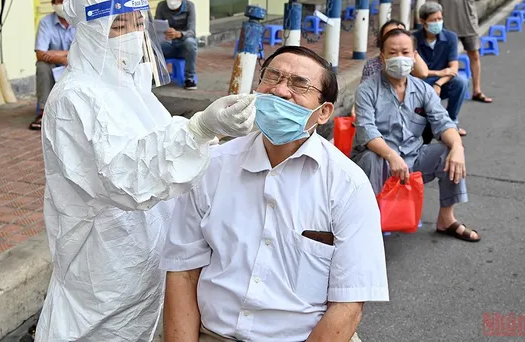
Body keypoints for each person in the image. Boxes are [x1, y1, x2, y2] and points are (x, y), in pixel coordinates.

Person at [35, 0, 258, 342]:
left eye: (137, 23)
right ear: (89, 31)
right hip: (103, 266)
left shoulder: (129, 86)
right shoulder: (74, 99)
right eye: (118, 25)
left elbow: (160, 143)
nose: (132, 34)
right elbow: (124, 177)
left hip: (148, 256)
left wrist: (221, 142)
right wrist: (199, 129)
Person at [161, 46, 389, 342]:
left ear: (324, 113)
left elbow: (348, 305)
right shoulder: (213, 167)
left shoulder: (348, 186)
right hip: (213, 334)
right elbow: (182, 272)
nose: (281, 91)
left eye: (299, 84)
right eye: (273, 77)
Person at [352, 28, 480, 243]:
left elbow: (443, 122)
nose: (399, 58)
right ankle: (366, 227)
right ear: (382, 57)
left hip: (413, 157)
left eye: (405, 52)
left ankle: (446, 220)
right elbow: (366, 130)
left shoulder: (423, 90)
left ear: (413, 56)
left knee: (448, 150)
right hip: (379, 160)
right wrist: (392, 157)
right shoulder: (367, 89)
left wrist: (458, 147)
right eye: (393, 53)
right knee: (372, 158)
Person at [433, 0, 492, 104]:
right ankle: (439, 90)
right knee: (444, 58)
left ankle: (477, 90)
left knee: (474, 54)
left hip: (469, 22)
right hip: (447, 24)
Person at [414, 2, 468, 137]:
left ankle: (451, 123)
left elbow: (453, 68)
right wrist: (438, 73)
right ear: (423, 21)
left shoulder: (450, 37)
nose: (437, 23)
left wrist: (439, 83)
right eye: (433, 20)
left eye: (439, 19)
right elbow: (413, 71)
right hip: (421, 81)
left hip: (442, 82)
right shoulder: (413, 39)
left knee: (461, 82)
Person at [29, 0, 75, 130]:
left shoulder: (82, 22)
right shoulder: (45, 22)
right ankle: (43, 112)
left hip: (77, 62)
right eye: (60, 1)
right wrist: (65, 57)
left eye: (67, 1)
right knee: (42, 66)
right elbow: (40, 54)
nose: (63, 5)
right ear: (53, 4)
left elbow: (88, 50)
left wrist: (57, 54)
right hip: (56, 64)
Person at [155, 0, 198, 90]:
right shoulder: (161, 6)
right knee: (152, 44)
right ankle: (155, 76)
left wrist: (179, 34)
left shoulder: (190, 6)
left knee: (191, 42)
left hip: (183, 46)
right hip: (168, 45)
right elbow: (156, 27)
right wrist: (163, 33)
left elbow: (192, 32)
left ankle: (189, 78)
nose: (172, 0)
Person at [361, 19, 429, 84]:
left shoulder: (409, 60)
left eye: (398, 33)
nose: (395, 39)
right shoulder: (372, 65)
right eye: (390, 35)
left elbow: (423, 73)